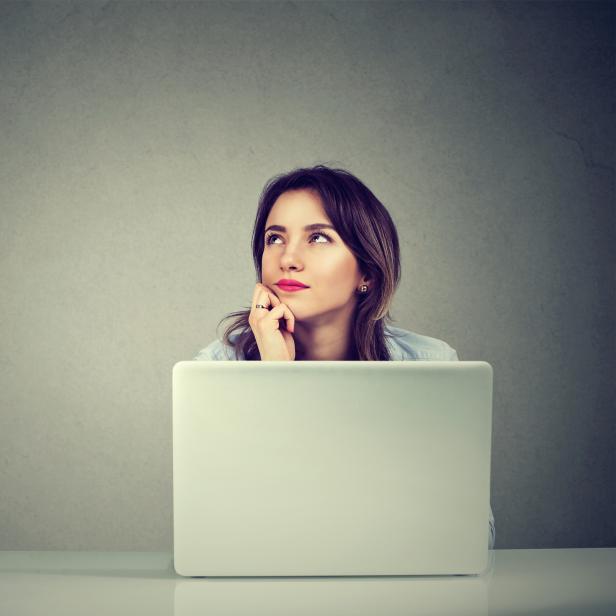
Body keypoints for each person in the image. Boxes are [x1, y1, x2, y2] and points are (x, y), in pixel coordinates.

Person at [193, 164, 495, 548]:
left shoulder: (430, 365)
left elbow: (474, 536)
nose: (288, 258)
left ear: (366, 271)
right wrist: (276, 380)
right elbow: (221, 534)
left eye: (318, 237)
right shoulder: (215, 370)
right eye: (274, 238)